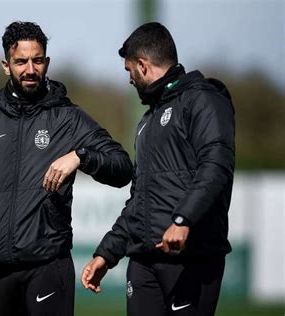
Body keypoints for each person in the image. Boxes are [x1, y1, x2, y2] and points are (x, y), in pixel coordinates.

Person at [0, 21, 133, 316]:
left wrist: (82, 156)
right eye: (20, 61)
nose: (30, 69)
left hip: (47, 267)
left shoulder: (68, 118)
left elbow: (122, 167)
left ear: (46, 62)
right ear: (5, 65)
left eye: (37, 60)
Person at [82, 22, 235, 316]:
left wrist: (183, 219)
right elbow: (138, 200)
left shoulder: (203, 99)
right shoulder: (147, 121)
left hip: (192, 259)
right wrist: (107, 253)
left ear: (142, 65)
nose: (129, 80)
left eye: (129, 71)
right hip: (143, 261)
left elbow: (216, 165)